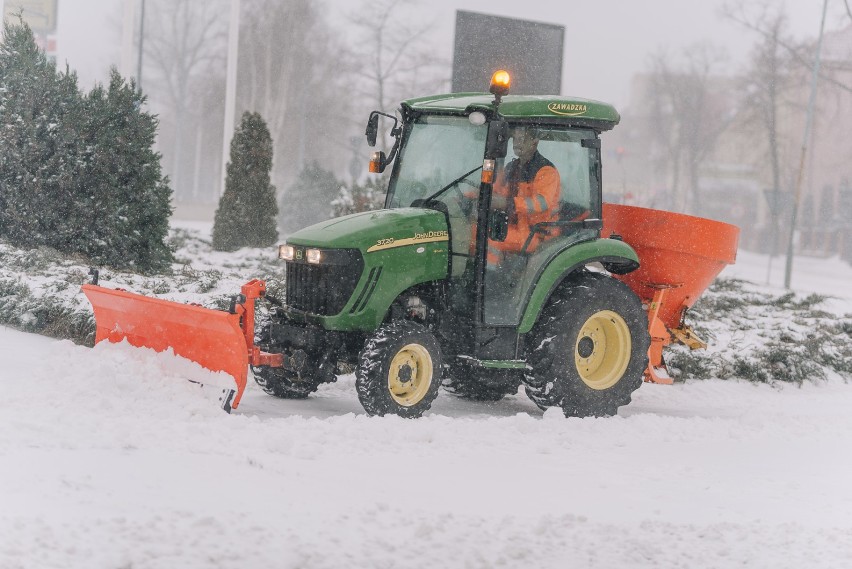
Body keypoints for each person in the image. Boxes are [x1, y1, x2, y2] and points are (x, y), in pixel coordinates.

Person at [486, 126, 561, 269]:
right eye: (515, 139)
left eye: (522, 139)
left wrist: (509, 203)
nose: (517, 144)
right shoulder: (511, 168)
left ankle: (491, 279)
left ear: (534, 142)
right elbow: (495, 190)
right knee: (475, 230)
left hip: (537, 232)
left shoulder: (546, 170)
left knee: (487, 240)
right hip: (513, 225)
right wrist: (473, 197)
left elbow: (542, 203)